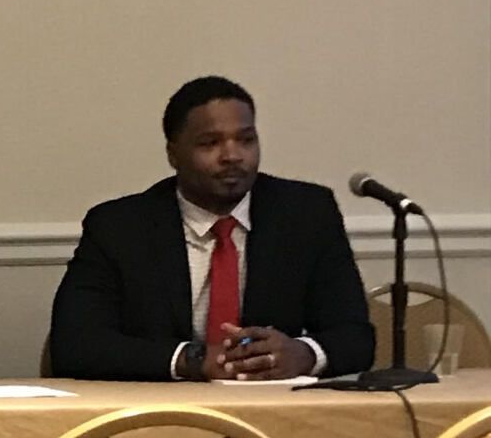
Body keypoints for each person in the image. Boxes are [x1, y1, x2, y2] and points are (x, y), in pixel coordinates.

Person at [49, 75, 373, 382]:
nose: (232, 156)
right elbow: (76, 346)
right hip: (159, 415)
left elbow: (356, 337)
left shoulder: (307, 214)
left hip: (279, 413)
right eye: (210, 143)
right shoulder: (120, 227)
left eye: (246, 140)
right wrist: (195, 359)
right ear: (173, 154)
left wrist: (303, 354)